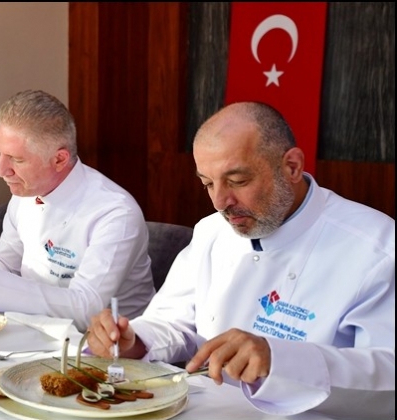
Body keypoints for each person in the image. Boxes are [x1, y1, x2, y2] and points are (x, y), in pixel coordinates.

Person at [86, 101, 395, 419]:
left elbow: (389, 376)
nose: (220, 202)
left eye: (237, 181)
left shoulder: (378, 249)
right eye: (208, 183)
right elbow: (174, 320)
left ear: (291, 166)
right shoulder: (212, 231)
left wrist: (279, 360)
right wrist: (134, 340)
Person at [0, 89, 155, 331]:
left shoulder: (114, 213)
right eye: (0, 154)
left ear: (59, 159)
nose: (1, 171)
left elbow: (86, 309)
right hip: (34, 329)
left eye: (16, 159)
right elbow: (7, 265)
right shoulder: (26, 193)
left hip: (105, 346)